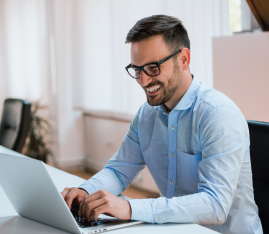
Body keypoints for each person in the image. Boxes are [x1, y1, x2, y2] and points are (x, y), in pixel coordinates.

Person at [61, 15, 263, 234]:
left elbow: (215, 205)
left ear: (184, 59)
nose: (144, 81)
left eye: (153, 68)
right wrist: (85, 190)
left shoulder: (218, 115)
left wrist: (129, 207)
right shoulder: (146, 115)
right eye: (137, 70)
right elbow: (119, 171)